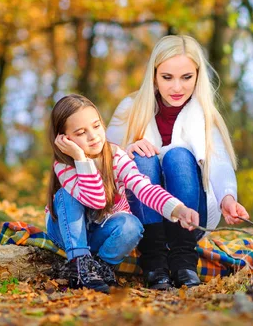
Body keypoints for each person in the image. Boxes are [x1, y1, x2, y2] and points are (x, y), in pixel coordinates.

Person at [106, 35, 249, 289]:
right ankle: (155, 263)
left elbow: (219, 163)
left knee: (178, 155)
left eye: (186, 77)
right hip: (143, 213)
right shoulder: (131, 108)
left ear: (197, 76)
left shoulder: (203, 114)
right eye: (167, 77)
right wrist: (126, 152)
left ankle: (183, 260)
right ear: (154, 76)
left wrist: (228, 197)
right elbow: (104, 159)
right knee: (144, 156)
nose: (177, 88)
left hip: (192, 213)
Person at [46, 94, 199, 293]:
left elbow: (144, 188)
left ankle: (100, 267)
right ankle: (79, 264)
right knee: (66, 197)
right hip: (67, 233)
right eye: (81, 132)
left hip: (100, 232)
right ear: (64, 139)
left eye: (96, 126)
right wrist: (80, 158)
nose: (93, 136)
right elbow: (96, 200)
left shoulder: (116, 156)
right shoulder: (65, 165)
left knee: (131, 225)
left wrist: (178, 209)